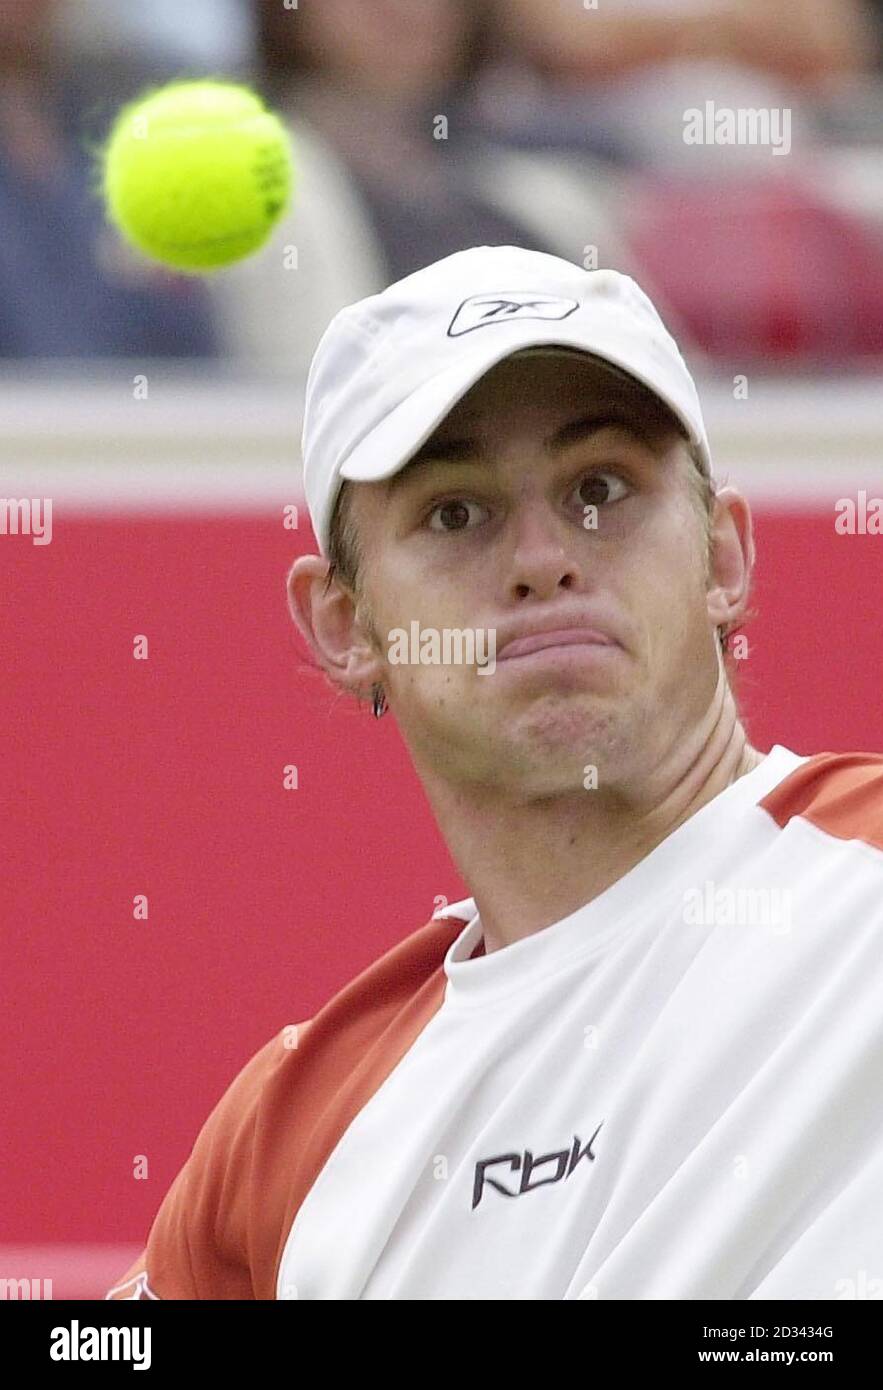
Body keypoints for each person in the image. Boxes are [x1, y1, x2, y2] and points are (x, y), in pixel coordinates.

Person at [106, 246, 883, 1301]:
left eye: (599, 487)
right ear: (344, 626)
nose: (541, 556)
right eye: (456, 512)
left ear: (723, 556)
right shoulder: (285, 1139)